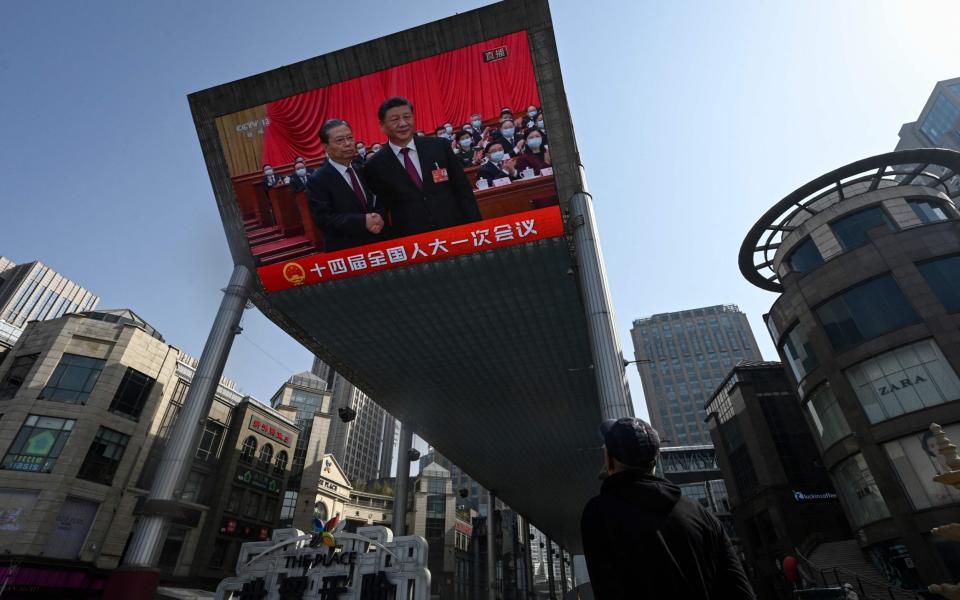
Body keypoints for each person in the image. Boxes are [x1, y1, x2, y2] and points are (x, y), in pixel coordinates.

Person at [581, 417, 756, 600]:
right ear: (655, 459)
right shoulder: (702, 515)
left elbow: (607, 590)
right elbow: (741, 591)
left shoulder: (598, 514)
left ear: (609, 459)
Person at [364, 96, 481, 237]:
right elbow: (382, 205)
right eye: (395, 120)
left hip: (453, 227)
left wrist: (476, 227)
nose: (403, 123)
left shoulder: (439, 146)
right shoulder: (375, 165)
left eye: (407, 117)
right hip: (412, 238)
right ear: (382, 125)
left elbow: (463, 189)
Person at [306, 119, 388, 251]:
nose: (348, 144)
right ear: (325, 147)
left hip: (377, 241)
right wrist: (363, 221)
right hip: (346, 248)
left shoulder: (362, 168)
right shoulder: (317, 180)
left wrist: (378, 216)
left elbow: (379, 198)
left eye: (350, 138)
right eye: (340, 140)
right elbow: (324, 219)